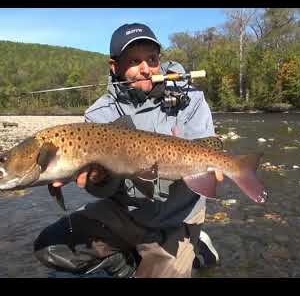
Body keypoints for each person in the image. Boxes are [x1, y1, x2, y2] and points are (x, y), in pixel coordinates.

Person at [33, 23, 220, 278]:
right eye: (134, 61)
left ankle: (196, 248)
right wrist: (100, 179)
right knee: (50, 246)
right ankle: (128, 266)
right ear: (115, 67)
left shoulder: (190, 99)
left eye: (152, 59)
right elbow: (101, 190)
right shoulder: (99, 114)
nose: (145, 69)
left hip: (177, 218)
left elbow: (207, 153)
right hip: (126, 214)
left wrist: (210, 169)